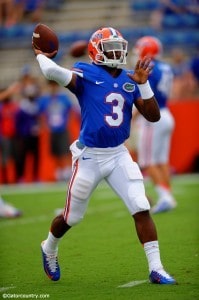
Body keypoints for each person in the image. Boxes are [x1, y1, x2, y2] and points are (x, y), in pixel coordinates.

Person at [32, 27, 176, 284]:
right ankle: (49, 246)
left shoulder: (131, 79)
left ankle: (156, 268)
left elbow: (154, 116)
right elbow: (52, 71)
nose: (117, 52)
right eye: (111, 48)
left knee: (141, 206)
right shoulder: (85, 74)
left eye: (119, 47)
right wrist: (40, 54)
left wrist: (143, 85)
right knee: (72, 217)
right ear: (96, 51)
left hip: (119, 154)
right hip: (89, 156)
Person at [131, 36, 177, 214]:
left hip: (154, 117)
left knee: (148, 160)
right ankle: (169, 196)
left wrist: (133, 117)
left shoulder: (150, 68)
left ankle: (165, 197)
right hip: (166, 114)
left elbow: (146, 96)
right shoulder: (165, 67)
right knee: (161, 160)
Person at [38, 80, 72, 182]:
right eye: (51, 85)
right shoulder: (45, 99)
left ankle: (66, 171)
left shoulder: (63, 98)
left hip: (62, 128)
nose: (53, 88)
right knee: (55, 152)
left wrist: (66, 122)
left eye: (54, 85)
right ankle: (59, 172)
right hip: (52, 130)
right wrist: (44, 125)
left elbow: (70, 110)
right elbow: (40, 113)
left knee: (65, 151)